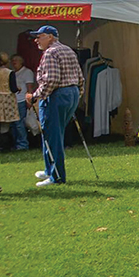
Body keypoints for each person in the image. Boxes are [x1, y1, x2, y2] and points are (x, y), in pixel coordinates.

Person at [25, 26, 84, 187]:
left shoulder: (50, 52)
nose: (36, 40)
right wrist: (76, 95)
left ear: (51, 37)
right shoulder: (68, 50)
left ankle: (56, 176)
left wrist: (35, 96)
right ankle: (49, 168)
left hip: (56, 95)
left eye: (40, 36)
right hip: (71, 94)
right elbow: (80, 77)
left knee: (52, 135)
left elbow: (51, 80)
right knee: (54, 133)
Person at [0, 53, 19, 150]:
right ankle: (3, 146)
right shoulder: (9, 72)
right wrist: (18, 88)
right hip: (7, 100)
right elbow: (13, 88)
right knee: (5, 126)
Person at [10, 54, 35, 150]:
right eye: (12, 60)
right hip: (13, 100)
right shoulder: (12, 73)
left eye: (16, 60)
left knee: (19, 123)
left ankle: (23, 144)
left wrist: (29, 100)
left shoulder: (27, 72)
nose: (14, 61)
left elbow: (29, 88)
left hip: (21, 100)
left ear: (21, 61)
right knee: (13, 124)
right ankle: (16, 143)